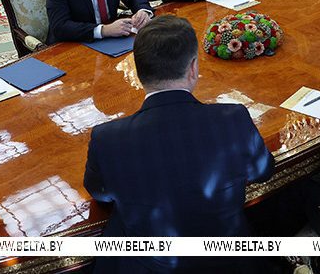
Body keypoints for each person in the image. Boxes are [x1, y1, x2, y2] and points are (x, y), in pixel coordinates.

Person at [83, 15, 274, 273]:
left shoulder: (107, 138)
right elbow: (263, 171)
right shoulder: (233, 118)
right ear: (193, 68)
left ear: (138, 73)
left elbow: (100, 193)